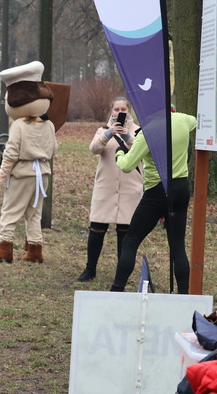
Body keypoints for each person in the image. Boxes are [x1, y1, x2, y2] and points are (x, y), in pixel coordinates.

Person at [110, 109, 197, 293]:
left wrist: (119, 153)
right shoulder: (182, 120)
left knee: (130, 241)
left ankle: (116, 290)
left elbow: (126, 166)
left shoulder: (147, 133)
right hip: (181, 188)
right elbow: (194, 121)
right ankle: (183, 295)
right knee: (177, 246)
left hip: (157, 191)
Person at [0, 61, 57, 264]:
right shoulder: (49, 124)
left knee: (10, 210)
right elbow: (54, 149)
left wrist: (2, 174)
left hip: (23, 173)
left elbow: (11, 153)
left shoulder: (18, 125)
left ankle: (5, 246)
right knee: (34, 213)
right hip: (42, 173)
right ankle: (35, 249)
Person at [76, 97, 144, 282]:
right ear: (111, 111)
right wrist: (109, 134)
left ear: (129, 111)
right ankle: (90, 269)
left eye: (124, 108)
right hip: (105, 187)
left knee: (125, 233)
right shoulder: (103, 131)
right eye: (116, 109)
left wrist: (127, 136)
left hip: (131, 188)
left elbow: (142, 149)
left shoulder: (138, 131)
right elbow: (94, 149)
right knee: (97, 228)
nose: (120, 112)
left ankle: (121, 273)